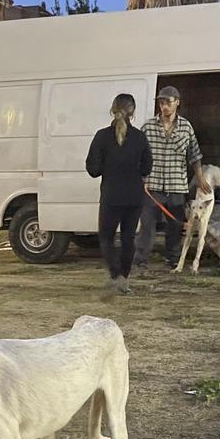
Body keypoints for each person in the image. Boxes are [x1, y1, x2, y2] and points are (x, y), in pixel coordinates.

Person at [135, 86, 212, 271]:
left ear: (177, 102)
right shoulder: (148, 127)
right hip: (152, 185)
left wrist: (200, 178)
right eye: (161, 103)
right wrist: (139, 178)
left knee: (175, 226)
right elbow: (137, 155)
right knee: (147, 225)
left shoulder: (186, 127)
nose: (164, 106)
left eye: (168, 102)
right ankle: (140, 260)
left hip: (177, 184)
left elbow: (195, 155)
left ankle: (173, 259)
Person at [86, 93, 152, 294]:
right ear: (133, 112)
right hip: (134, 197)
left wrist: (108, 166)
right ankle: (124, 276)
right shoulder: (140, 138)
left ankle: (115, 275)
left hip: (111, 196)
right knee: (128, 238)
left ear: (113, 110)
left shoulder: (102, 136)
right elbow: (147, 168)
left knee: (106, 237)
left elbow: (93, 169)